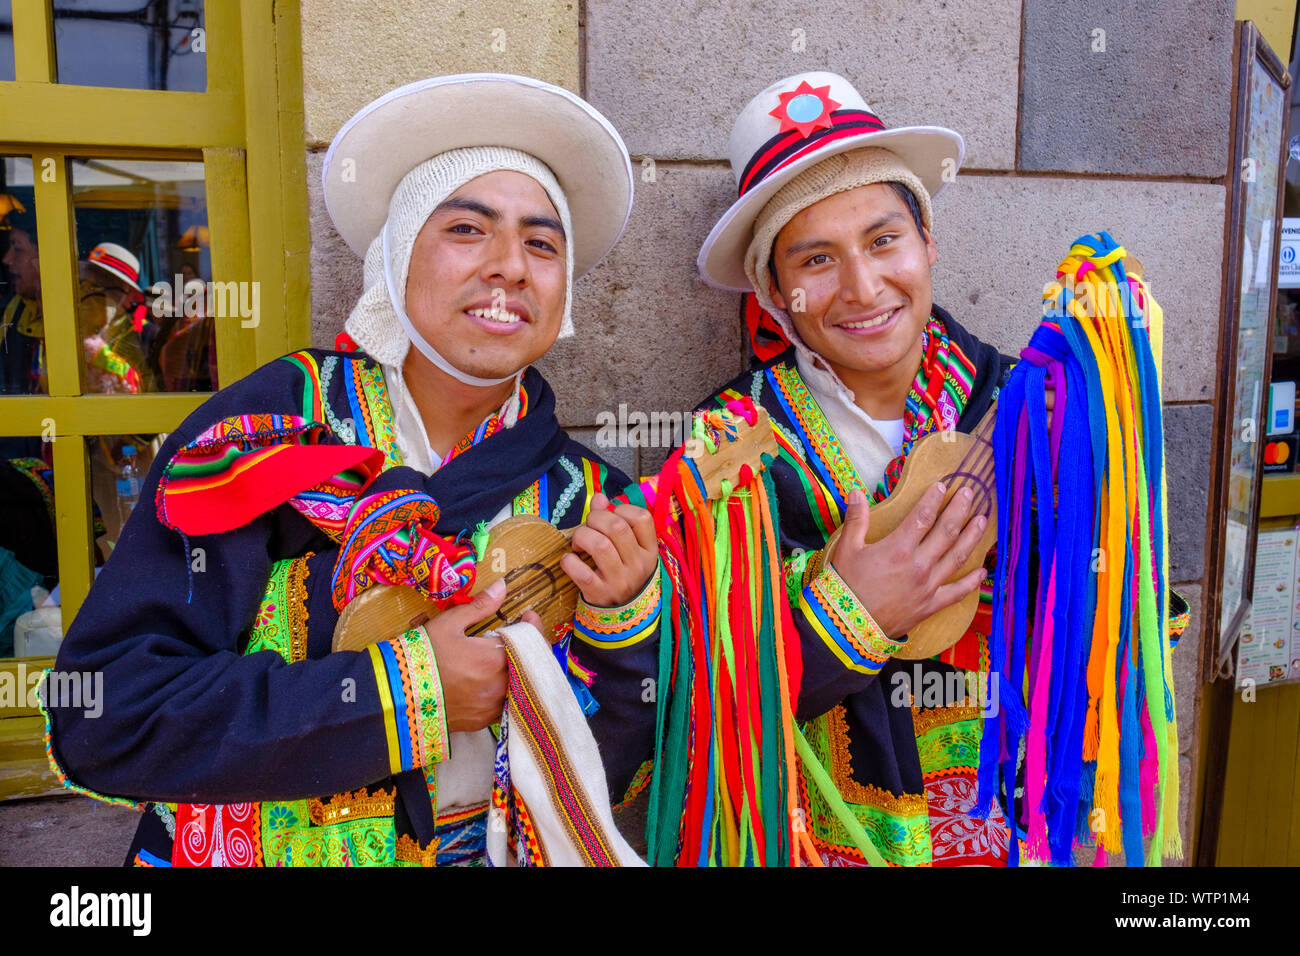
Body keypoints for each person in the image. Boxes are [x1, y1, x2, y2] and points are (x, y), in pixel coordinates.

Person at [45, 74, 660, 867]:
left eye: (542, 243)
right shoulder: (264, 435)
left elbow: (615, 778)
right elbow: (107, 717)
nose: (510, 266)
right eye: (468, 229)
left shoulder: (590, 498)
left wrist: (624, 633)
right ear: (399, 251)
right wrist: (404, 697)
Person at [694, 72, 1190, 866]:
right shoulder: (729, 447)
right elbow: (707, 699)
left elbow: (1112, 631)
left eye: (885, 239)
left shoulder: (1024, 406)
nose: (863, 287)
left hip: (1018, 828)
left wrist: (1093, 460)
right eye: (816, 258)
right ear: (774, 291)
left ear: (928, 242)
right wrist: (852, 613)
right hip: (830, 835)